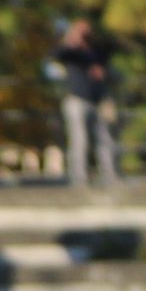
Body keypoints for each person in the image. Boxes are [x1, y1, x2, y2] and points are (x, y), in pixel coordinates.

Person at [53, 20, 118, 190]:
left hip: (98, 100)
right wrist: (72, 40)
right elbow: (57, 55)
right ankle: (79, 179)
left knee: (105, 139)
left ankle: (109, 176)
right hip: (76, 99)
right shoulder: (71, 52)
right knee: (79, 140)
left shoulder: (97, 51)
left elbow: (110, 52)